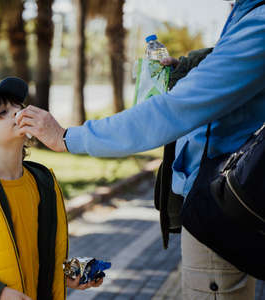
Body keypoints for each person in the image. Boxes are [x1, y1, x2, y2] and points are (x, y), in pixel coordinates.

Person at [16, 1, 264, 299]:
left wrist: (67, 137)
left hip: (223, 204)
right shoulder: (247, 12)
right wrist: (191, 67)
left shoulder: (259, 21)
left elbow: (172, 111)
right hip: (231, 197)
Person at [0, 77, 102, 300]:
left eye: (18, 107)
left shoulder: (40, 183)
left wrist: (69, 273)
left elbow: (34, 253)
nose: (17, 113)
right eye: (2, 112)